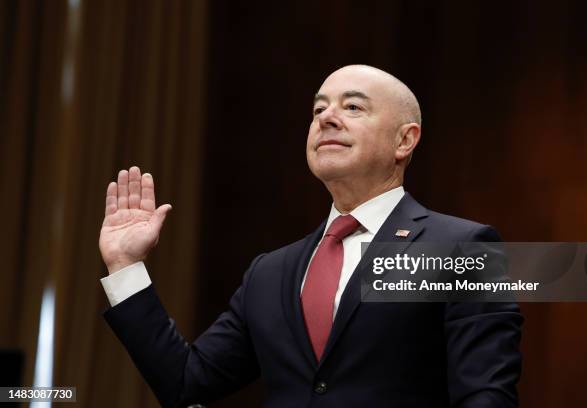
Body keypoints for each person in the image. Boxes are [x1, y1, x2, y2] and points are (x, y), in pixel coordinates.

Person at [99, 65, 523, 407]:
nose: (326, 117)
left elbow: (485, 396)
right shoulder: (270, 272)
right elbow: (185, 383)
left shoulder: (460, 247)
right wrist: (125, 266)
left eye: (353, 107)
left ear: (404, 140)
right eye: (318, 109)